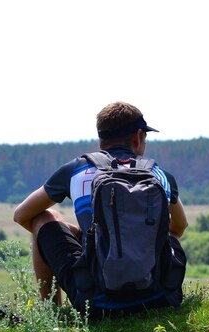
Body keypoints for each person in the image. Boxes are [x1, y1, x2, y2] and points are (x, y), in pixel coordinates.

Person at [13, 101, 188, 317]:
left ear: (101, 139)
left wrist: (83, 236)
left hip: (96, 303)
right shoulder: (160, 175)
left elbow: (21, 215)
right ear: (137, 136)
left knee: (44, 218)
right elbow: (178, 228)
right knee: (167, 235)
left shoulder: (77, 169)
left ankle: (50, 312)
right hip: (159, 298)